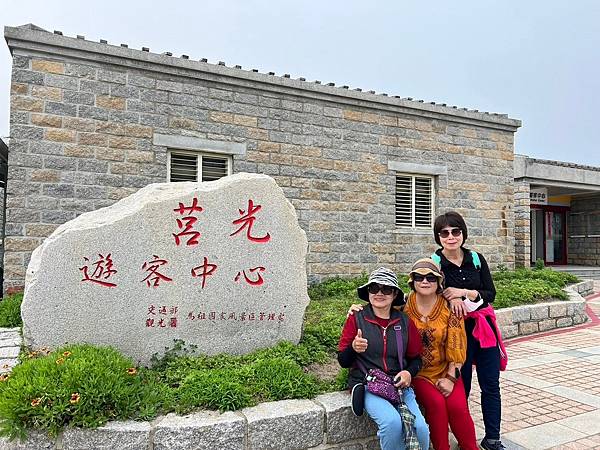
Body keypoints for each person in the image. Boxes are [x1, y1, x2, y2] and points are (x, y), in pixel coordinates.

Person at [432, 211, 507, 450]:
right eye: (445, 233)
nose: (451, 237)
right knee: (461, 386)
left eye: (456, 231)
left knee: (491, 385)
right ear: (438, 237)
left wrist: (464, 292)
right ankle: (463, 435)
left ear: (463, 233)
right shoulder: (435, 263)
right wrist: (447, 295)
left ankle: (492, 438)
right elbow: (427, 293)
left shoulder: (476, 258)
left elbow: (490, 294)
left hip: (483, 329)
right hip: (455, 333)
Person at [338, 267, 430, 450]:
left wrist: (408, 373)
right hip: (368, 384)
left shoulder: (404, 322)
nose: (379, 293)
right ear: (368, 292)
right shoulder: (357, 318)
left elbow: (416, 359)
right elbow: (343, 360)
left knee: (421, 429)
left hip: (398, 385)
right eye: (374, 288)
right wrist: (354, 348)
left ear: (394, 294)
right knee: (391, 423)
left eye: (386, 289)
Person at [404, 258, 478, 450]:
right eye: (419, 277)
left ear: (438, 282)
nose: (425, 281)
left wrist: (450, 378)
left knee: (458, 408)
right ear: (412, 281)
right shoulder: (403, 306)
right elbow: (379, 307)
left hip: (448, 368)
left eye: (431, 277)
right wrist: (357, 311)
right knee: (436, 405)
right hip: (419, 373)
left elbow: (458, 344)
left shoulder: (450, 307)